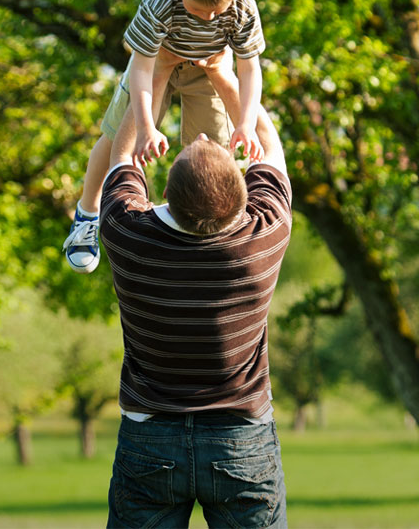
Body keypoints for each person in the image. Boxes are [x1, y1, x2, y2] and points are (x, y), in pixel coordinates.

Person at [98, 89, 291, 527]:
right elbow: (271, 150)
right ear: (244, 195)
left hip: (148, 439)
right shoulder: (264, 238)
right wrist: (233, 83)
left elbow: (122, 158)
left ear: (163, 191)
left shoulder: (128, 235)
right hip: (242, 440)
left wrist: (149, 83)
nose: (202, 133)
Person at [63, 0, 267, 274]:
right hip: (158, 65)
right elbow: (141, 70)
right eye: (199, 9)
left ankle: (205, 234)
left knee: (214, 153)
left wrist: (245, 124)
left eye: (218, 10)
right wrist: (145, 126)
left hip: (209, 71)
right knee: (116, 138)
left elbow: (250, 70)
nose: (210, 18)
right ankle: (87, 214)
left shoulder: (243, 5)